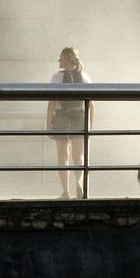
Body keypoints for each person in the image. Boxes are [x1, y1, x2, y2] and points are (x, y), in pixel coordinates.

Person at [45, 46, 91, 199]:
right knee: (79, 156)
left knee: (63, 156)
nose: (59, 60)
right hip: (79, 117)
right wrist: (89, 123)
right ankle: (79, 181)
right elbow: (91, 103)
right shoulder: (85, 77)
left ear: (66, 59)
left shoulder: (57, 77)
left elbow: (52, 102)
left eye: (61, 57)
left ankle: (66, 192)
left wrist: (48, 123)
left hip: (61, 117)